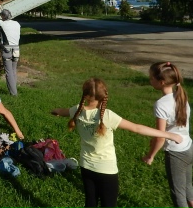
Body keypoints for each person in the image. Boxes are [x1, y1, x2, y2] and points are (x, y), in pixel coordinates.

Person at [52, 77, 183, 208]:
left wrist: (56, 111)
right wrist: (169, 135)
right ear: (104, 95)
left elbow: (63, 112)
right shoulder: (107, 116)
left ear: (85, 95)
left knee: (90, 203)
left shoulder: (76, 110)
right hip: (106, 170)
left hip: (86, 166)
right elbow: (137, 128)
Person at [143, 62, 193, 208]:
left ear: (162, 82)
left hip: (176, 153)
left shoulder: (161, 104)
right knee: (188, 188)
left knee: (178, 195)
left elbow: (161, 136)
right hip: (189, 147)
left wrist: (150, 156)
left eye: (151, 78)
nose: (150, 80)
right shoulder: (181, 96)